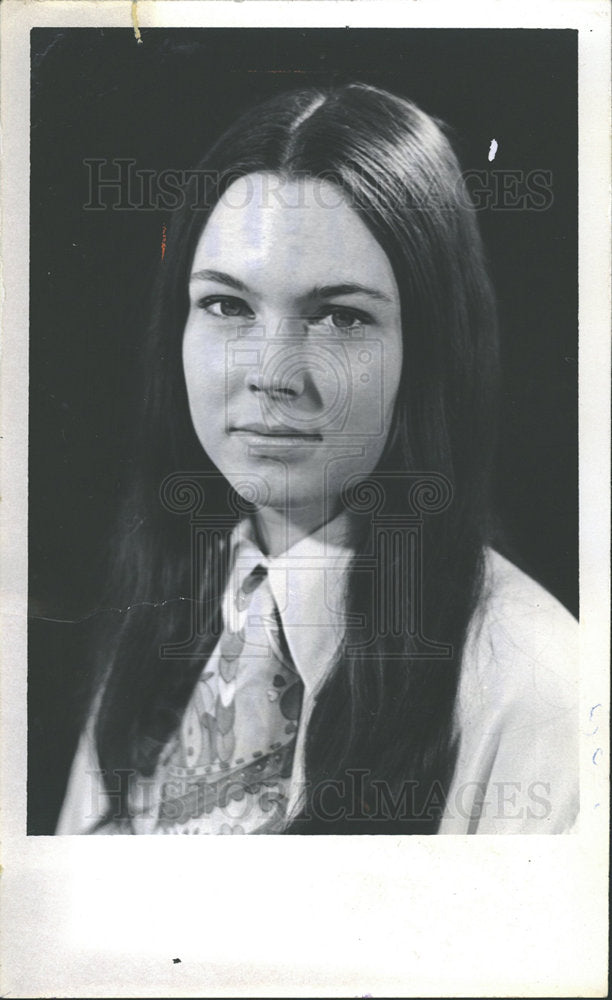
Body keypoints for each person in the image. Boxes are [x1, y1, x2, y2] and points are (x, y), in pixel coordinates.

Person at [56, 83, 578, 836]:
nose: (273, 372)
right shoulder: (168, 616)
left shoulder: (537, 689)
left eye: (340, 317)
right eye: (227, 306)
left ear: (428, 351)